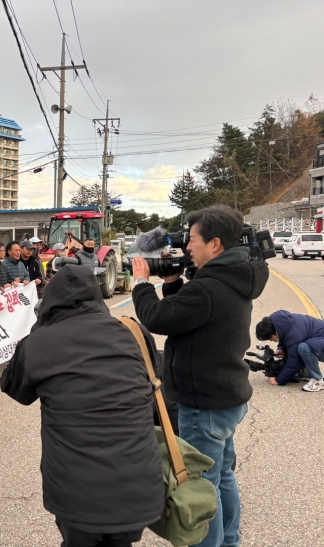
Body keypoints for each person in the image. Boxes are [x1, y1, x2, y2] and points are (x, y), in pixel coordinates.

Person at [132, 205, 269, 547]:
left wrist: (140, 283)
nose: (187, 247)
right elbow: (191, 318)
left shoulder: (207, 287)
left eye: (192, 240)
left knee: (199, 487)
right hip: (226, 396)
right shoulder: (235, 276)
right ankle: (228, 541)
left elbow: (158, 319)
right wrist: (173, 283)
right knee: (221, 477)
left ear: (215, 244)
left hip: (203, 403)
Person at [0, 265, 163, 547]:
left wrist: (40, 329)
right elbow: (155, 381)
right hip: (139, 486)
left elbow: (16, 390)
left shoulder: (40, 341)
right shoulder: (134, 331)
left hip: (76, 493)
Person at [256, 311, 324, 391]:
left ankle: (317, 381)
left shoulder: (294, 335)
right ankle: (305, 372)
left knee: (304, 348)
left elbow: (294, 362)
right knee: (299, 348)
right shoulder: (281, 323)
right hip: (320, 339)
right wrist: (281, 349)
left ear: (274, 332)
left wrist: (279, 380)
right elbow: (285, 337)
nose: (271, 340)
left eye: (270, 338)